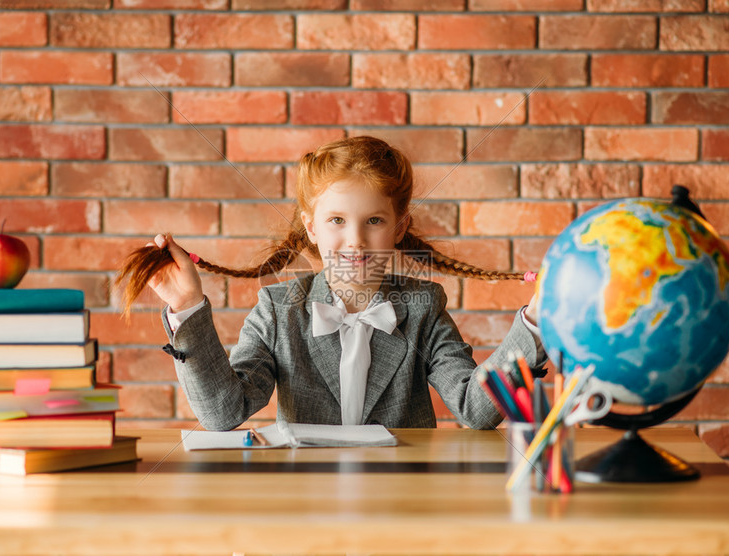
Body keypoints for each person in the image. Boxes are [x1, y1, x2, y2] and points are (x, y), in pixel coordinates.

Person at [117, 136, 547, 431]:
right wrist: (188, 306)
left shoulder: (422, 308)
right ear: (312, 229)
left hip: (404, 504)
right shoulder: (277, 308)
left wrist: (533, 322)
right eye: (337, 221)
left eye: (374, 221)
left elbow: (476, 409)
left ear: (400, 227)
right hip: (307, 505)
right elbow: (223, 414)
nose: (355, 240)